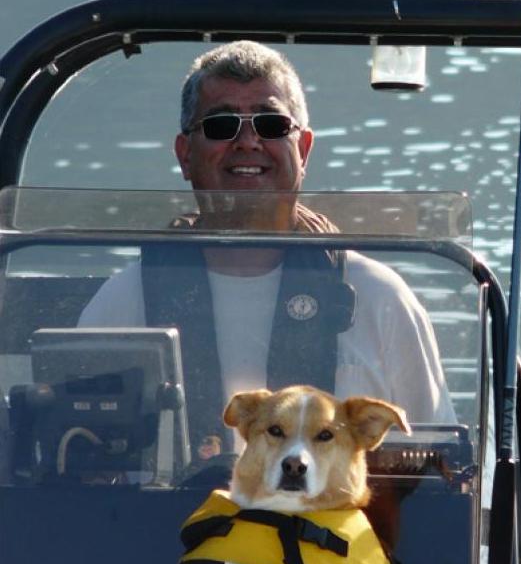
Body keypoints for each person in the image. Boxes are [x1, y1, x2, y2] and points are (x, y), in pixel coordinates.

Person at [79, 41, 455, 453]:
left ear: (305, 149)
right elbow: (73, 460)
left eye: (271, 125)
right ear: (185, 155)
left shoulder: (382, 299)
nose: (248, 142)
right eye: (221, 126)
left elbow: (440, 466)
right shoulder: (122, 304)